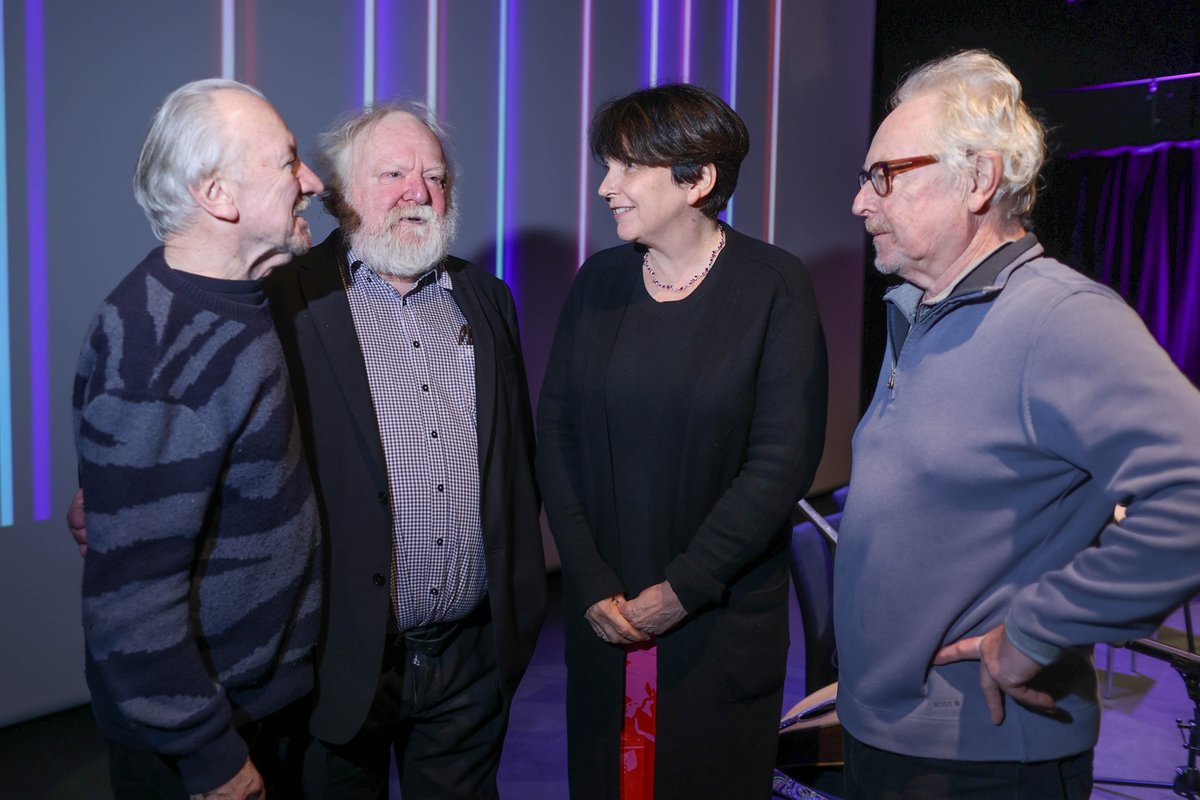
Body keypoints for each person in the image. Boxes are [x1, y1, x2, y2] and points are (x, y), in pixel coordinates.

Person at [835, 49, 1200, 799]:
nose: (860, 203)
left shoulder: (1058, 319)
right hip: (888, 734)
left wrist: (1035, 631)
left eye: (884, 176)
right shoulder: (920, 311)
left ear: (977, 179)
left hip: (982, 756)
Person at [537, 83, 828, 799]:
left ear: (697, 179)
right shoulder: (599, 281)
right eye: (607, 166)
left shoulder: (772, 286)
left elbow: (780, 461)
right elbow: (557, 435)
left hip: (718, 617)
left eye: (627, 168)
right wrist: (591, 581)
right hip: (606, 616)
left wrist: (685, 588)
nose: (607, 187)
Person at [264, 100, 545, 799]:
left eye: (435, 176)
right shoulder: (285, 300)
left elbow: (512, 459)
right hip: (342, 660)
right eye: (393, 173)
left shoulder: (486, 298)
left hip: (470, 658)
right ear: (339, 194)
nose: (419, 193)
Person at [72, 79, 324, 799]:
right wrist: (208, 754)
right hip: (203, 736)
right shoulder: (157, 351)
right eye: (288, 162)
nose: (311, 180)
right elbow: (130, 603)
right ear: (219, 196)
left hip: (257, 702)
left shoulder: (236, 302)